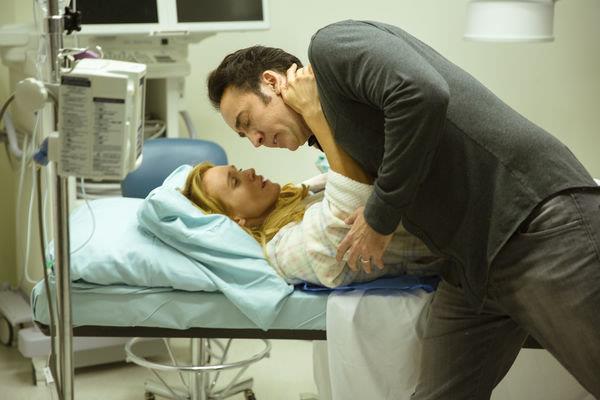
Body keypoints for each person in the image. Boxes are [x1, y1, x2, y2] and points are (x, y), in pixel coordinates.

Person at [206, 20, 600, 398]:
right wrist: (317, 120)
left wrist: (379, 218)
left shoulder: (332, 47)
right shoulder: (332, 132)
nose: (255, 142)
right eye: (244, 136)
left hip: (531, 220)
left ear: (272, 82)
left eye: (248, 122)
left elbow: (422, 92)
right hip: (471, 265)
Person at [182, 85, 442, 287]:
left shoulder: (296, 196)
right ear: (236, 220)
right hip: (445, 239)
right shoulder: (283, 252)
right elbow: (352, 202)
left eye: (238, 170)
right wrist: (313, 112)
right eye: (235, 181)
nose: (248, 171)